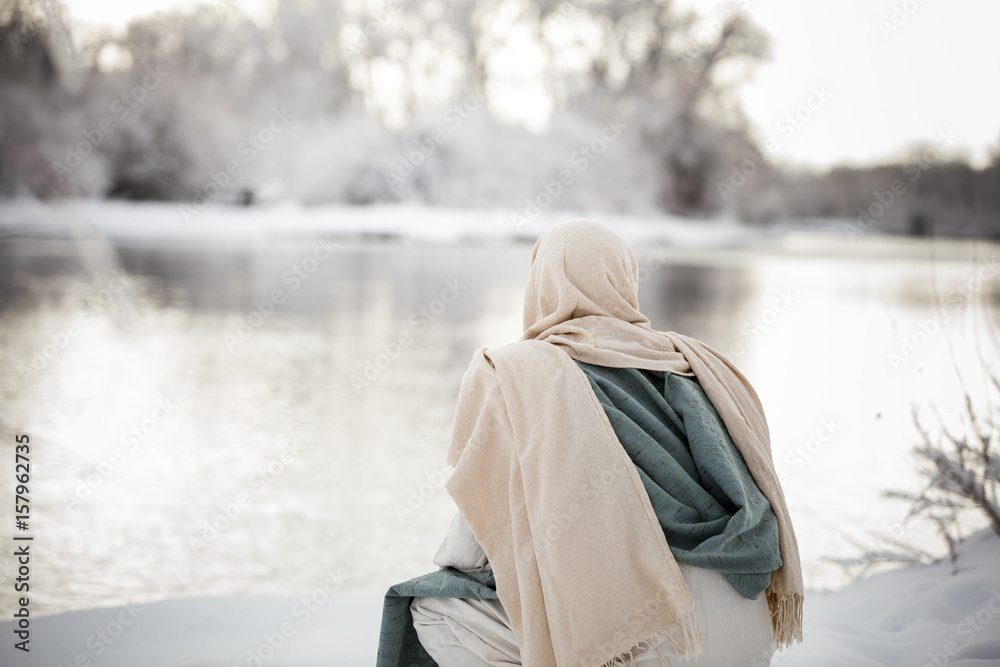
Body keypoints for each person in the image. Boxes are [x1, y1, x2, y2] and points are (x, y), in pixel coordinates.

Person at [376, 219, 803, 667]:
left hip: (655, 640)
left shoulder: (521, 373)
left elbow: (470, 548)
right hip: (749, 631)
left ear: (541, 285)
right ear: (624, 280)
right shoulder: (695, 366)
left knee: (434, 607)